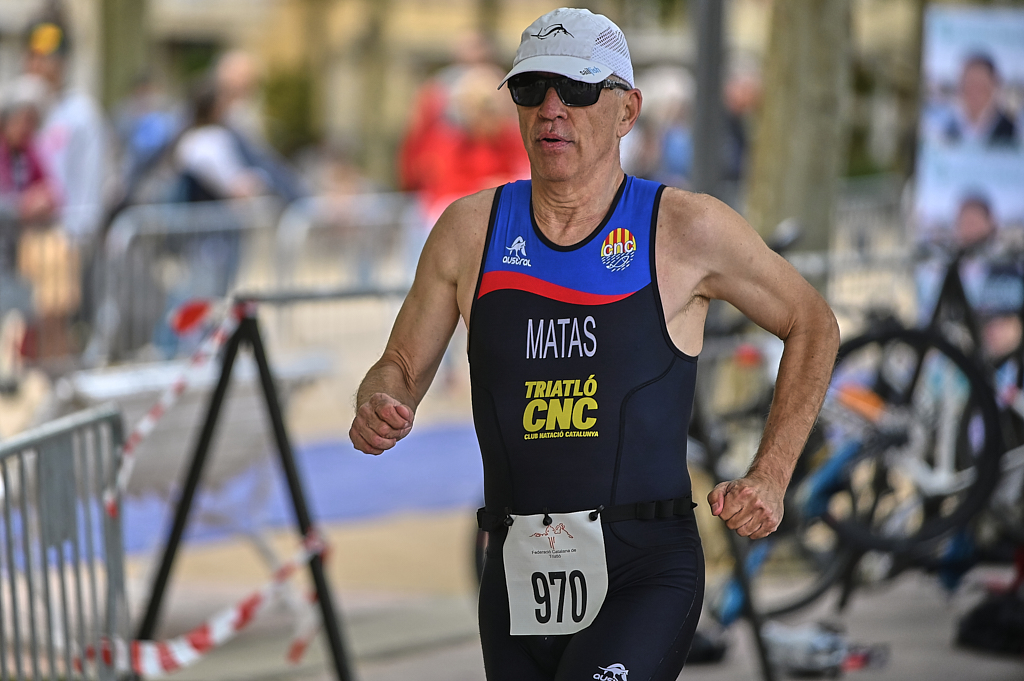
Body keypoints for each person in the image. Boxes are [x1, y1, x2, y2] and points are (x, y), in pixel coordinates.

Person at [349, 8, 839, 680]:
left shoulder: (684, 228)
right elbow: (400, 365)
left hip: (645, 570)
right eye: (532, 89)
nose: (552, 109)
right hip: (517, 576)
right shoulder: (470, 231)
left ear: (627, 110)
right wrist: (378, 400)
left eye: (577, 89)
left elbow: (813, 321)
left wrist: (772, 475)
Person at [939, 53, 1018, 148]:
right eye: (969, 84)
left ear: (994, 87)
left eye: (980, 86)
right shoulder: (948, 127)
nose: (974, 92)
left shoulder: (1012, 130)